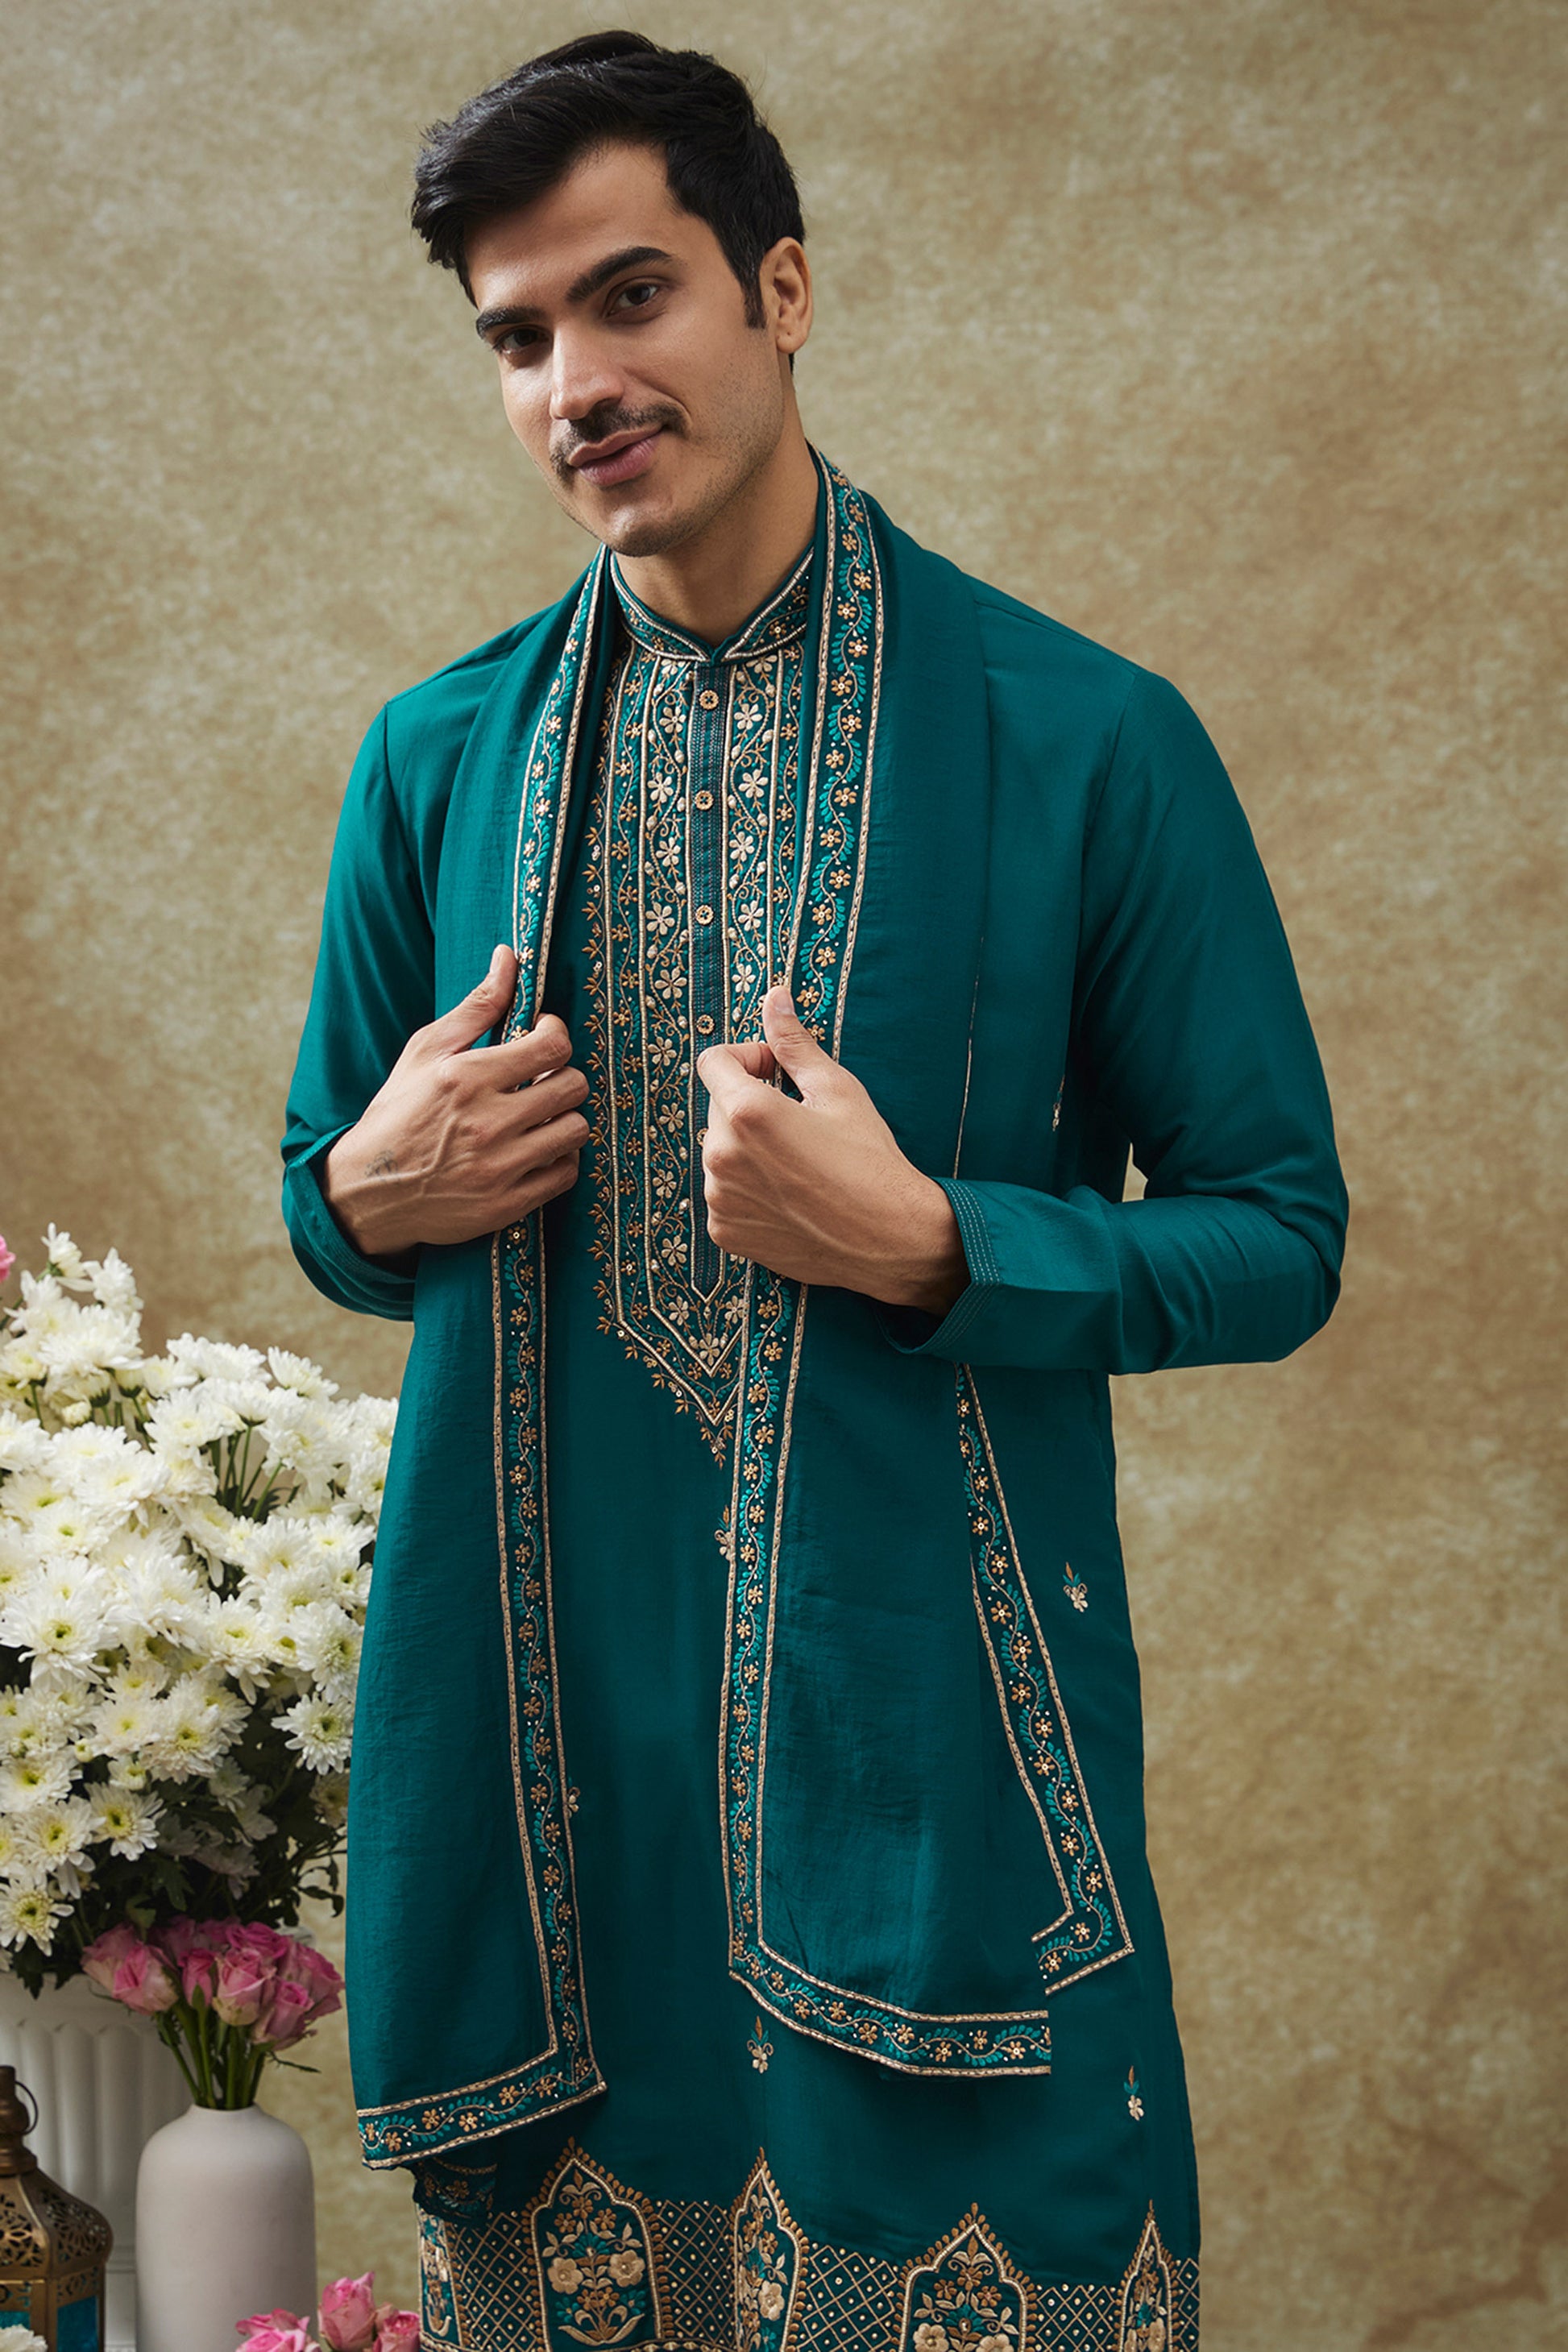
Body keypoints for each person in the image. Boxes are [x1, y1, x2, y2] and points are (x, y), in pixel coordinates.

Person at [282, 31, 1347, 2351]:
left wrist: (944, 1244)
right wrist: (366, 1191)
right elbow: (328, 1192)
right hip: (554, 1784)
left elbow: (1279, 1235)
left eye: (631, 296)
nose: (577, 381)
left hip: (936, 1771)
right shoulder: (434, 760)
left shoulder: (1084, 738)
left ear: (779, 288)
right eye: (518, 339)